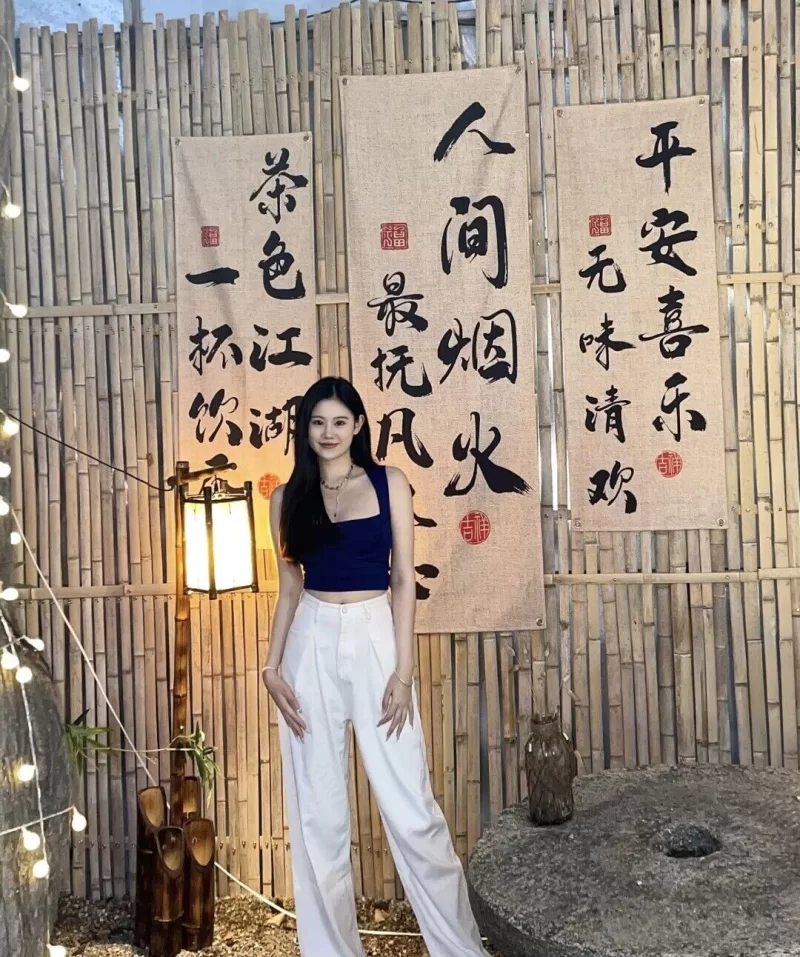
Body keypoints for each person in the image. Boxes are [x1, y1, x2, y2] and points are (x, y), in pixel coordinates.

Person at [262, 376, 488, 957]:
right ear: (305, 430)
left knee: (413, 811)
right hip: (309, 643)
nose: (328, 433)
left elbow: (404, 580)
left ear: (358, 426)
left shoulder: (391, 483)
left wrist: (404, 672)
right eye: (317, 422)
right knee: (318, 817)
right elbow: (290, 587)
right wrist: (271, 666)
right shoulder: (285, 499)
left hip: (375, 637)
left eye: (339, 422)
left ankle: (460, 951)